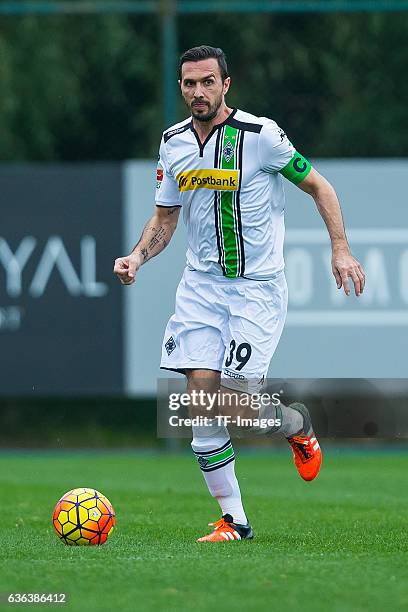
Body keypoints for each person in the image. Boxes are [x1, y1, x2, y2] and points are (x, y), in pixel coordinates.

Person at [114, 45, 365, 543]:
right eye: (189, 84)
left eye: (208, 82)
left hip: (255, 290)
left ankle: (295, 423)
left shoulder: (262, 136)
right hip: (200, 289)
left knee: (232, 402)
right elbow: (166, 218)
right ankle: (235, 521)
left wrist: (340, 249)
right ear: (182, 88)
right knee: (199, 406)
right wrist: (137, 256)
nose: (198, 92)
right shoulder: (173, 143)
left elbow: (320, 187)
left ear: (226, 85)